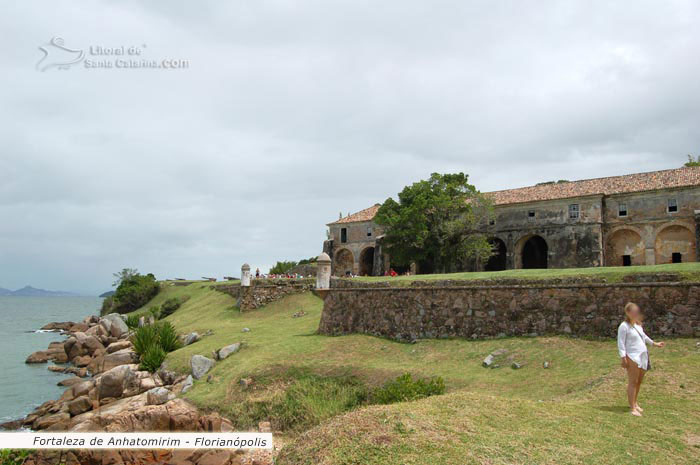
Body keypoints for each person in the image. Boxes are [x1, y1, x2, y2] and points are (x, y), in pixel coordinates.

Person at [617, 302, 665, 417]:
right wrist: (623, 357)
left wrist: (654, 344)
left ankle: (635, 402)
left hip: (642, 355)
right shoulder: (624, 326)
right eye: (633, 312)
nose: (635, 314)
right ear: (628, 313)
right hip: (632, 356)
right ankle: (632, 408)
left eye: (636, 312)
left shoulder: (638, 325)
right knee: (633, 382)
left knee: (639, 381)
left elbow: (644, 336)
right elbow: (621, 343)